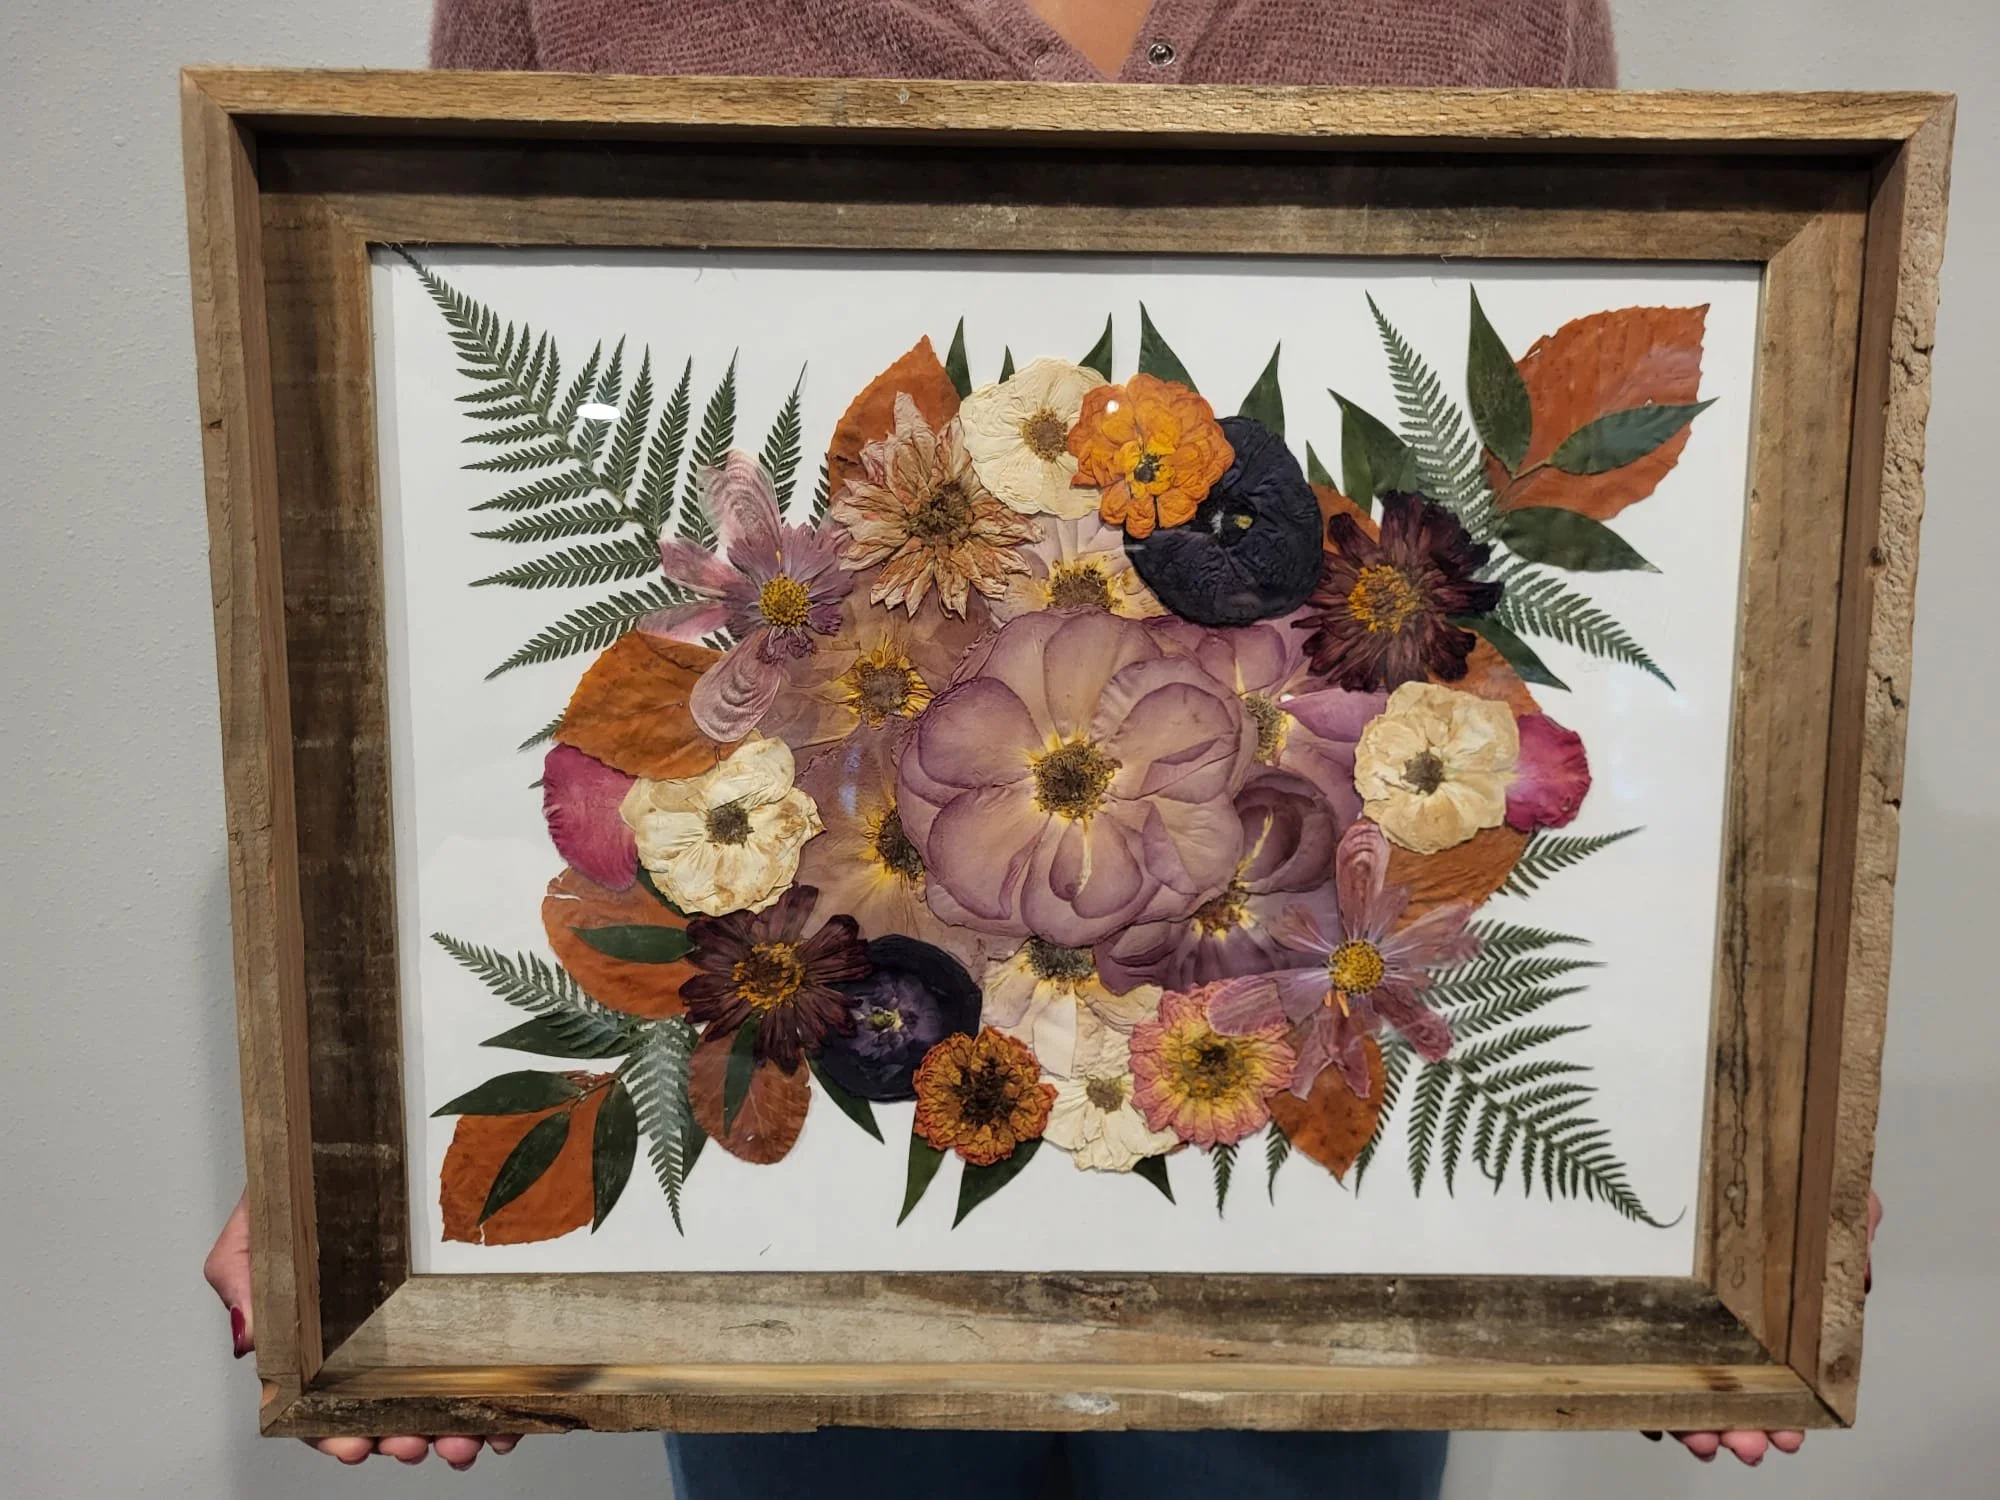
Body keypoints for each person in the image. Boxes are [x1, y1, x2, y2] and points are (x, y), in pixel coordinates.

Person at [205, 0, 1875, 1486]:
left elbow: (1639, 617)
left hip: (1302, 1312)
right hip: (817, 1303)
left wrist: (1738, 1171)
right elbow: (419, 475)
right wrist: (363, 1155)